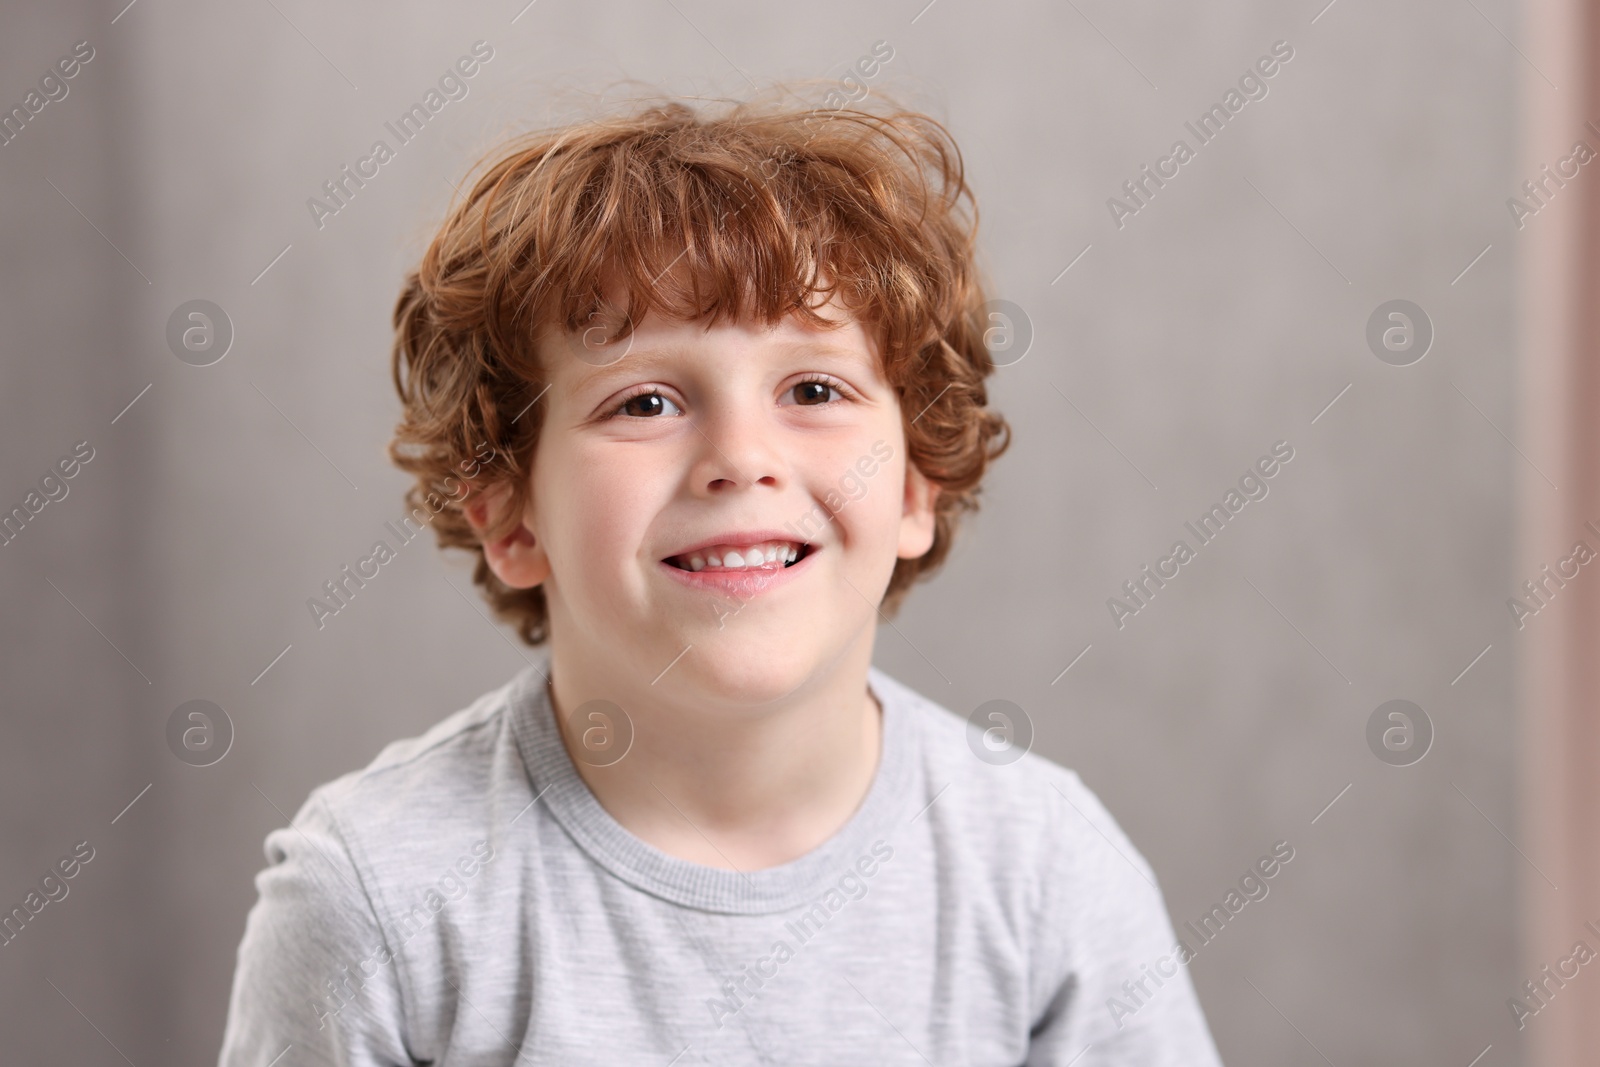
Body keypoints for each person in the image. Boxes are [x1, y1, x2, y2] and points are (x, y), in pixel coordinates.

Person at [216, 89, 1223, 1066]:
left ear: (916, 485)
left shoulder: (1047, 870)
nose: (741, 455)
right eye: (645, 402)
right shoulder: (379, 895)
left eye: (814, 387)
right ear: (511, 518)